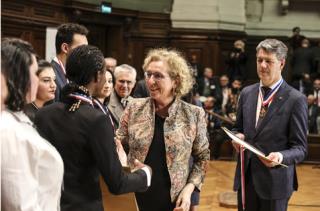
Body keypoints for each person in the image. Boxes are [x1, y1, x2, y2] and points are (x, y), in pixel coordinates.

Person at [34, 45, 151, 211]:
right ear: (98, 76)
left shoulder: (43, 114)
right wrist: (145, 174)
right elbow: (117, 183)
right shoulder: (97, 120)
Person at [116, 48, 210, 211]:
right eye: (148, 74)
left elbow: (202, 158)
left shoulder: (194, 114)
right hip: (135, 198)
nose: (150, 81)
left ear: (176, 81)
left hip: (174, 201)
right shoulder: (134, 108)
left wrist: (189, 190)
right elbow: (118, 145)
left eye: (158, 75)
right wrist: (123, 162)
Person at [232, 39, 308, 211]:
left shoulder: (296, 99)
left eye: (269, 61)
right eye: (260, 60)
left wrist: (280, 157)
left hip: (276, 183)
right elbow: (239, 128)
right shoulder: (246, 93)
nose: (263, 65)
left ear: (281, 63)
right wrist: (238, 137)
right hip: (247, 177)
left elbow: (300, 148)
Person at [1, 38, 64, 211]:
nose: (53, 85)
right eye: (35, 73)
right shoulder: (7, 130)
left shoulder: (17, 120)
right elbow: (19, 204)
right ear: (19, 76)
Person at [51, 23, 88, 101]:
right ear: (65, 48)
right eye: (82, 48)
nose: (86, 52)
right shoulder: (51, 74)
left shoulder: (75, 73)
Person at [107, 64, 137, 128]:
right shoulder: (105, 102)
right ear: (114, 81)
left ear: (134, 83)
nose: (125, 86)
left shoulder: (137, 104)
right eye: (121, 81)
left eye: (129, 82)